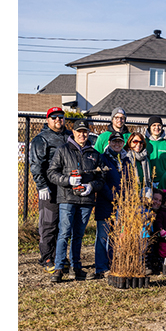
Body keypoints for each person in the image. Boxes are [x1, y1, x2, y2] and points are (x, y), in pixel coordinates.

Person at [47, 119, 105, 282]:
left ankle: (76, 267)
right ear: (73, 132)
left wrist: (92, 186)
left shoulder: (94, 154)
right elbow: (52, 173)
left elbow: (101, 179)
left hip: (86, 201)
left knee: (78, 235)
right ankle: (59, 268)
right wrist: (68, 180)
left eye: (85, 131)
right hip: (67, 198)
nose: (82, 134)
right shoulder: (63, 150)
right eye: (79, 131)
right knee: (64, 233)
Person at [29, 107, 72, 273]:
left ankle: (60, 255)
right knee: (48, 223)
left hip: (66, 187)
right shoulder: (41, 139)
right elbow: (35, 164)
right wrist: (41, 185)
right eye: (53, 117)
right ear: (48, 120)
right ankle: (46, 257)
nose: (57, 120)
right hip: (49, 188)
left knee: (64, 224)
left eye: (60, 117)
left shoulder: (69, 136)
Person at [93, 132, 131, 279]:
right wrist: (113, 197)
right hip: (105, 203)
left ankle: (112, 264)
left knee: (115, 236)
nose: (117, 144)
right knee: (103, 236)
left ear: (123, 144)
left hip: (122, 204)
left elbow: (129, 181)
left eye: (120, 142)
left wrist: (126, 199)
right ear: (109, 143)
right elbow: (101, 181)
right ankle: (101, 267)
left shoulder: (126, 160)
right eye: (114, 142)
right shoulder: (103, 158)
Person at [145, 115, 166, 185]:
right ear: (149, 127)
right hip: (146, 182)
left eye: (159, 125)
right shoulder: (143, 143)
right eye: (154, 125)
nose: (157, 127)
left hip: (163, 182)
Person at [124, 132, 153, 200]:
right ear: (130, 142)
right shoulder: (126, 157)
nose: (138, 144)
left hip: (144, 193)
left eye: (141, 142)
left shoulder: (146, 158)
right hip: (131, 192)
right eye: (135, 141)